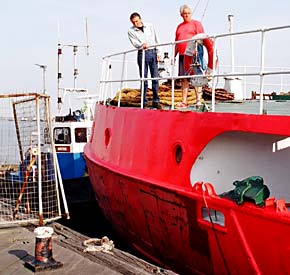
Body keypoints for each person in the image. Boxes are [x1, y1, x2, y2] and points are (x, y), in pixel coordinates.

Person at [128, 12, 162, 109]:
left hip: (153, 52)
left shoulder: (150, 26)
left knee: (155, 77)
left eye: (137, 21)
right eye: (134, 22)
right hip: (142, 53)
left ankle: (156, 100)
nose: (136, 24)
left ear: (140, 19)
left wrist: (158, 52)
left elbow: (156, 39)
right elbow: (134, 43)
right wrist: (141, 45)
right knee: (144, 79)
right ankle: (144, 101)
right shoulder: (131, 31)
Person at [174, 4, 205, 108]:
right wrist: (173, 56)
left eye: (188, 13)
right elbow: (177, 42)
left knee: (196, 77)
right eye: (184, 14)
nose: (186, 15)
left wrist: (197, 49)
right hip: (182, 55)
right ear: (181, 15)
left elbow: (202, 37)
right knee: (184, 78)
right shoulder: (179, 26)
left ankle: (198, 100)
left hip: (192, 54)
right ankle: (184, 101)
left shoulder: (196, 24)